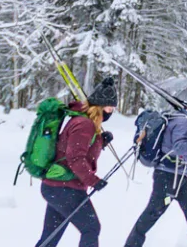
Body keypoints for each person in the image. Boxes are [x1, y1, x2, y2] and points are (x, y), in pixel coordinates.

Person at [124, 80, 187, 247]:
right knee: (152, 213)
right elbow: (179, 147)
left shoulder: (182, 118)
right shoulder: (184, 121)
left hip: (176, 175)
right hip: (168, 176)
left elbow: (179, 137)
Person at [37, 77, 119, 247]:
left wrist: (101, 142)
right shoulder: (84, 124)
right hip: (65, 188)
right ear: (99, 107)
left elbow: (77, 149)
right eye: (110, 107)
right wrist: (93, 181)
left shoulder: (84, 123)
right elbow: (75, 158)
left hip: (57, 187)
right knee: (91, 228)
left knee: (50, 237)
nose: (111, 112)